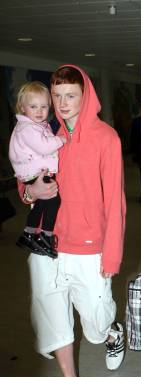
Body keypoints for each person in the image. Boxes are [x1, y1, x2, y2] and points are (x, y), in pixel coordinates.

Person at [18, 65, 126, 377]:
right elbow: (25, 173)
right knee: (51, 314)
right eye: (57, 96)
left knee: (95, 322)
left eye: (70, 96)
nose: (62, 104)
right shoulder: (43, 134)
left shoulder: (106, 138)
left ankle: (112, 333)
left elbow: (116, 201)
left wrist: (111, 254)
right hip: (46, 245)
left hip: (88, 245)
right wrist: (29, 190)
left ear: (86, 96)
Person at [9, 81, 66, 258]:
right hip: (33, 172)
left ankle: (28, 234)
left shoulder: (34, 126)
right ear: (23, 108)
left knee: (42, 203)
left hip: (32, 171)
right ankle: (45, 237)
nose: (40, 111)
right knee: (53, 201)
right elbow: (44, 147)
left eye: (44, 106)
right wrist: (61, 140)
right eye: (33, 106)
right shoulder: (28, 128)